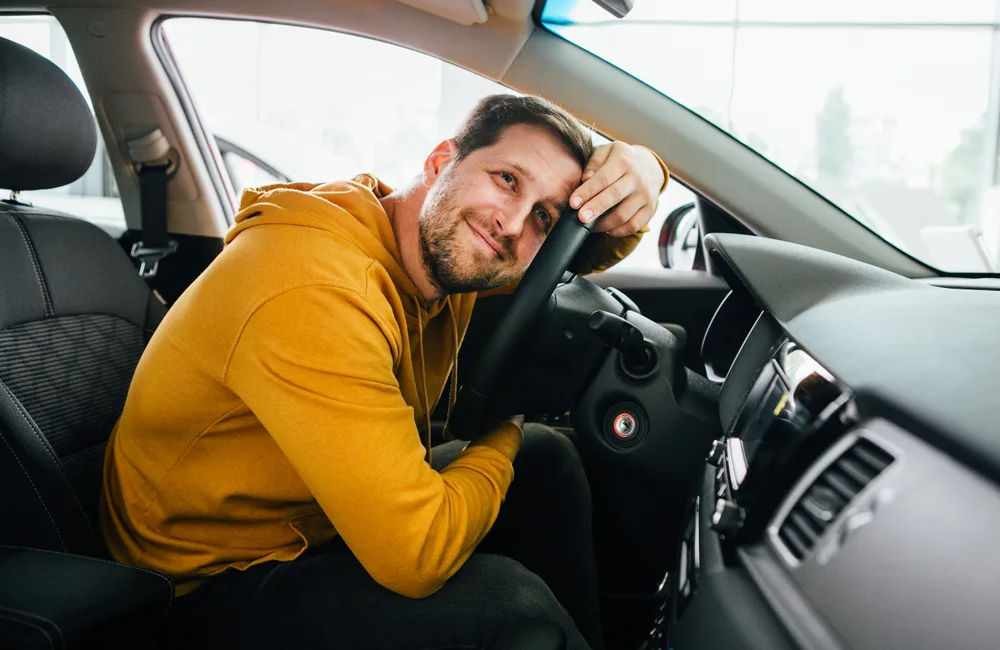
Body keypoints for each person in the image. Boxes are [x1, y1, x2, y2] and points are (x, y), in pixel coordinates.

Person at [99, 94, 668, 650]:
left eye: (542, 215)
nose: (513, 224)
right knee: (510, 608)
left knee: (546, 461)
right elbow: (416, 556)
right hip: (200, 583)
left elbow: (580, 247)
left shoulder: (442, 240)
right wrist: (506, 430)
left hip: (309, 520)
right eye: (507, 180)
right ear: (440, 162)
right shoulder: (313, 288)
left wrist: (646, 171)